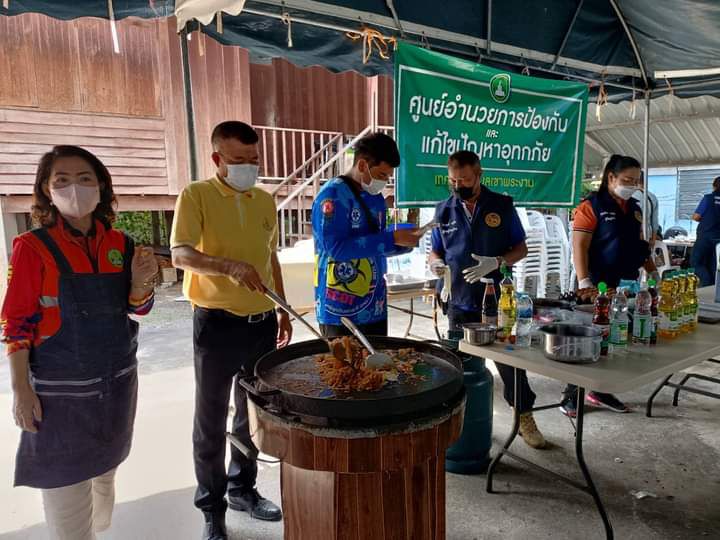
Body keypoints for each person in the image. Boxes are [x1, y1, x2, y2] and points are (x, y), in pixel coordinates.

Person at [2, 145, 158, 540]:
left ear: (101, 186)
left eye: (85, 178)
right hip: (60, 400)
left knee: (105, 479)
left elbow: (137, 308)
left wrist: (142, 284)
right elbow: (16, 323)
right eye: (63, 180)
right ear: (47, 189)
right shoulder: (32, 247)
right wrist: (21, 389)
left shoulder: (120, 244)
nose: (75, 188)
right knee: (69, 507)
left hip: (116, 389)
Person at [171, 121, 292, 540]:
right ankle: (212, 508)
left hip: (262, 323)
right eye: (239, 160)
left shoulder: (264, 200)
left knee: (252, 413)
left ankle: (243, 489)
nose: (248, 167)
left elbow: (269, 257)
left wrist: (283, 308)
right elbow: (180, 254)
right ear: (217, 158)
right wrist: (227, 267)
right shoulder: (196, 195)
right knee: (210, 420)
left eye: (254, 159)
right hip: (216, 325)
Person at [428, 150, 547, 450]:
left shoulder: (502, 206)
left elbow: (521, 248)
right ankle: (461, 424)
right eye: (454, 181)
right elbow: (436, 251)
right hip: (457, 299)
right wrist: (435, 265)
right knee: (459, 367)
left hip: (496, 301)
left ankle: (524, 416)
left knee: (510, 363)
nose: (459, 186)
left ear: (479, 174)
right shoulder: (444, 210)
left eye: (465, 180)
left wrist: (497, 261)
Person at [563, 154, 656, 417]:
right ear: (611, 177)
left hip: (625, 286)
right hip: (598, 286)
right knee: (589, 340)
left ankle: (599, 390)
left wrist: (652, 271)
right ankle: (571, 395)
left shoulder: (634, 208)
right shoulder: (591, 207)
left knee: (613, 340)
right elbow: (579, 247)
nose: (632, 185)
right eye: (627, 180)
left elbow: (640, 246)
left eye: (636, 181)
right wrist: (585, 282)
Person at [312, 132, 421, 337]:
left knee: (380, 359)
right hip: (339, 309)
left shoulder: (375, 198)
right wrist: (392, 238)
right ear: (362, 165)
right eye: (381, 175)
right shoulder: (332, 196)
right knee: (342, 359)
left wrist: (404, 242)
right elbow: (336, 249)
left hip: (375, 306)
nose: (384, 181)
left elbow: (375, 245)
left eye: (388, 177)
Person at [691, 176, 720, 286]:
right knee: (714, 265)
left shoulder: (708, 198)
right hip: (718, 238)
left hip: (705, 236)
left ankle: (707, 283)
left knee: (696, 262)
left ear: (714, 186)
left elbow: (696, 217)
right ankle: (714, 288)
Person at [632, 173, 661, 244]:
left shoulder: (630, 196)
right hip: (648, 236)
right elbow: (655, 223)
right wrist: (653, 240)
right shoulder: (653, 197)